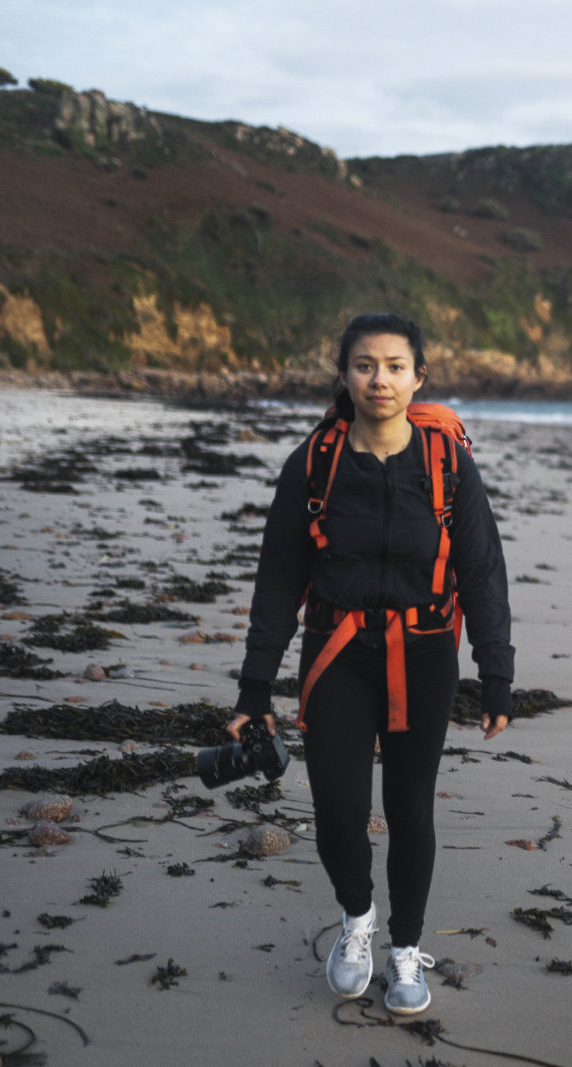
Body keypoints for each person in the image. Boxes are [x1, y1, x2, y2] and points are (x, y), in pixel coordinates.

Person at [226, 312, 513, 1015]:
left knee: (410, 811)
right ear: (345, 374)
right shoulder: (314, 463)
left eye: (393, 365)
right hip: (337, 655)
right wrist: (254, 686)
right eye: (363, 364)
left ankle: (406, 947)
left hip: (425, 654)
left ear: (419, 377)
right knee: (338, 812)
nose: (378, 378)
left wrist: (496, 672)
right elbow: (278, 579)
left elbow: (482, 571)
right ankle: (357, 919)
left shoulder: (448, 464)